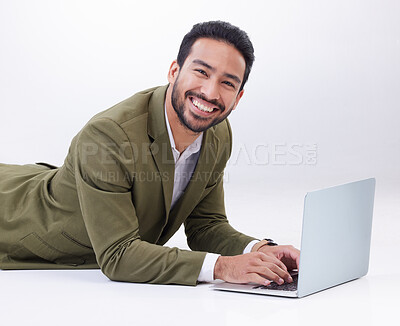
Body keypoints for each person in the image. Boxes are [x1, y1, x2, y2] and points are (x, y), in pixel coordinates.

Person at [0, 21, 300, 286]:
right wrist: (221, 267)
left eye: (227, 83)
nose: (210, 92)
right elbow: (119, 255)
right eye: (201, 72)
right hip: (14, 219)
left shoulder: (217, 133)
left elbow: (206, 226)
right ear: (174, 71)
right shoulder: (108, 135)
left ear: (238, 98)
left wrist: (259, 250)